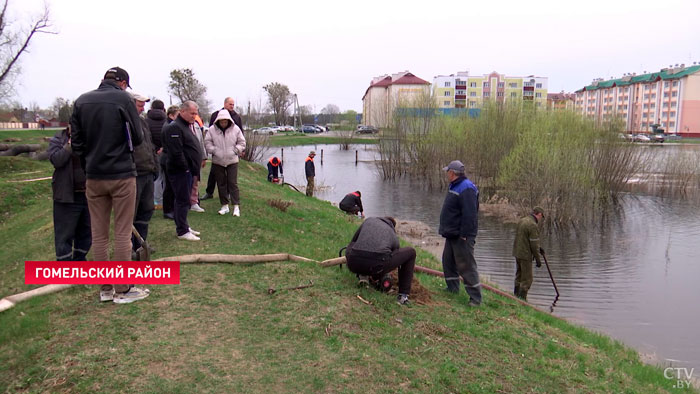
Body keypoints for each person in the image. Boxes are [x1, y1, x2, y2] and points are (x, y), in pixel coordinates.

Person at [70, 66, 149, 304]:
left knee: (99, 234)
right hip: (122, 174)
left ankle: (105, 289)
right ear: (123, 83)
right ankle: (123, 290)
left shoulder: (81, 101)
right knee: (122, 232)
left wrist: (88, 166)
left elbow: (77, 144)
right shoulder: (123, 99)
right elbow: (137, 137)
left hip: (94, 176)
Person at [438, 160, 482, 307]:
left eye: (447, 172)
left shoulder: (467, 188)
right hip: (452, 234)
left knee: (466, 266)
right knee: (448, 261)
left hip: (462, 235)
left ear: (452, 173)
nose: (446, 174)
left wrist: (465, 234)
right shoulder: (456, 185)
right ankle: (452, 289)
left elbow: (470, 214)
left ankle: (475, 299)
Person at [345, 217, 416, 305]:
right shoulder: (391, 232)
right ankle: (403, 296)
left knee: (352, 246)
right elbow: (395, 252)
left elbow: (354, 241)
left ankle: (363, 276)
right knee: (411, 252)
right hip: (377, 265)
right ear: (392, 226)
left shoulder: (369, 221)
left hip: (353, 264)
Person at [162, 101, 204, 241]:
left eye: (196, 113)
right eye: (192, 113)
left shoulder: (186, 126)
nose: (195, 116)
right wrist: (186, 168)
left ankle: (184, 225)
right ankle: (182, 231)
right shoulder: (174, 128)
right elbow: (176, 152)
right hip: (180, 171)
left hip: (188, 171)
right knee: (182, 200)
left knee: (184, 199)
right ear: (183, 111)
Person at [48, 126, 91, 261]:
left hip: (88, 195)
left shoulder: (89, 137)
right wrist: (70, 145)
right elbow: (56, 160)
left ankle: (80, 259)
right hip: (66, 195)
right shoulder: (58, 139)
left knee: (86, 232)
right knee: (64, 234)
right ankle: (65, 265)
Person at [130, 93, 158, 258]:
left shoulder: (143, 122)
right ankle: (130, 249)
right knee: (131, 213)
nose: (143, 108)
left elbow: (150, 145)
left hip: (148, 172)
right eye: (139, 105)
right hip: (134, 174)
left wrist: (155, 165)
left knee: (146, 210)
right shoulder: (124, 122)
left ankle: (142, 244)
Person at [204, 109, 246, 217]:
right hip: (218, 161)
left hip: (232, 160)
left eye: (225, 121)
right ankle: (224, 205)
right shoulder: (212, 130)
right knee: (221, 183)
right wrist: (214, 151)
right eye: (221, 121)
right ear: (218, 121)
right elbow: (207, 142)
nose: (223, 123)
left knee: (232, 183)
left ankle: (236, 206)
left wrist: (236, 150)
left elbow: (242, 142)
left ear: (228, 120)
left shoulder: (235, 129)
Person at [202, 97, 243, 200]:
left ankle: (228, 194)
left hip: (231, 151)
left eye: (233, 104)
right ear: (225, 104)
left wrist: (239, 149)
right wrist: (213, 149)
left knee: (231, 177)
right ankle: (209, 192)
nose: (232, 106)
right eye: (230, 104)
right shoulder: (215, 115)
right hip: (218, 152)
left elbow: (240, 134)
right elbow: (211, 132)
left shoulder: (236, 117)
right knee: (213, 173)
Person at [512, 207, 545, 300]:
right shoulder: (532, 225)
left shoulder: (522, 220)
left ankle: (515, 297)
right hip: (525, 255)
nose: (540, 219)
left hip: (517, 252)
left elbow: (524, 238)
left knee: (519, 275)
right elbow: (534, 244)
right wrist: (538, 260)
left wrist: (540, 248)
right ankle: (522, 300)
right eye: (541, 217)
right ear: (539, 214)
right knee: (527, 279)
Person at [146, 100, 167, 209]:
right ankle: (163, 199)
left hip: (151, 152)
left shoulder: (146, 121)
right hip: (165, 152)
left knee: (156, 177)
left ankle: (156, 200)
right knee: (164, 177)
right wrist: (163, 147)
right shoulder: (166, 120)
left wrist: (154, 149)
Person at [161, 106, 179, 220]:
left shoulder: (169, 125)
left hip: (167, 157)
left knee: (171, 185)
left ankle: (171, 208)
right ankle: (168, 210)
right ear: (171, 115)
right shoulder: (169, 127)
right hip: (167, 159)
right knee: (169, 186)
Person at [189, 114, 206, 213]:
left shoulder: (197, 126)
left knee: (195, 181)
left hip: (196, 159)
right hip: (186, 159)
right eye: (192, 113)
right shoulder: (180, 126)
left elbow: (201, 143)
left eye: (195, 113)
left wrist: (203, 157)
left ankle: (194, 202)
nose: (193, 116)